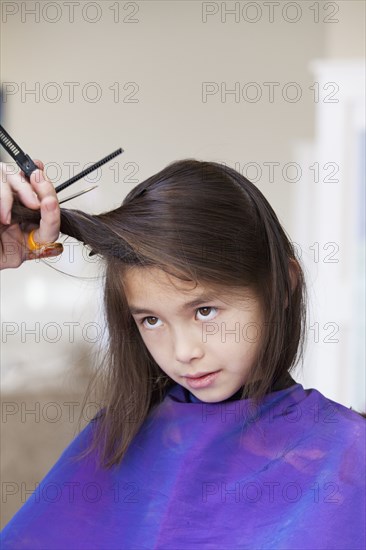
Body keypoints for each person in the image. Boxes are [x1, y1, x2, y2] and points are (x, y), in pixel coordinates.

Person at [0, 159, 365, 550]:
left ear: (282, 285)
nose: (183, 352)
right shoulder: (119, 440)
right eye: (152, 320)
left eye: (205, 311)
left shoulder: (348, 455)